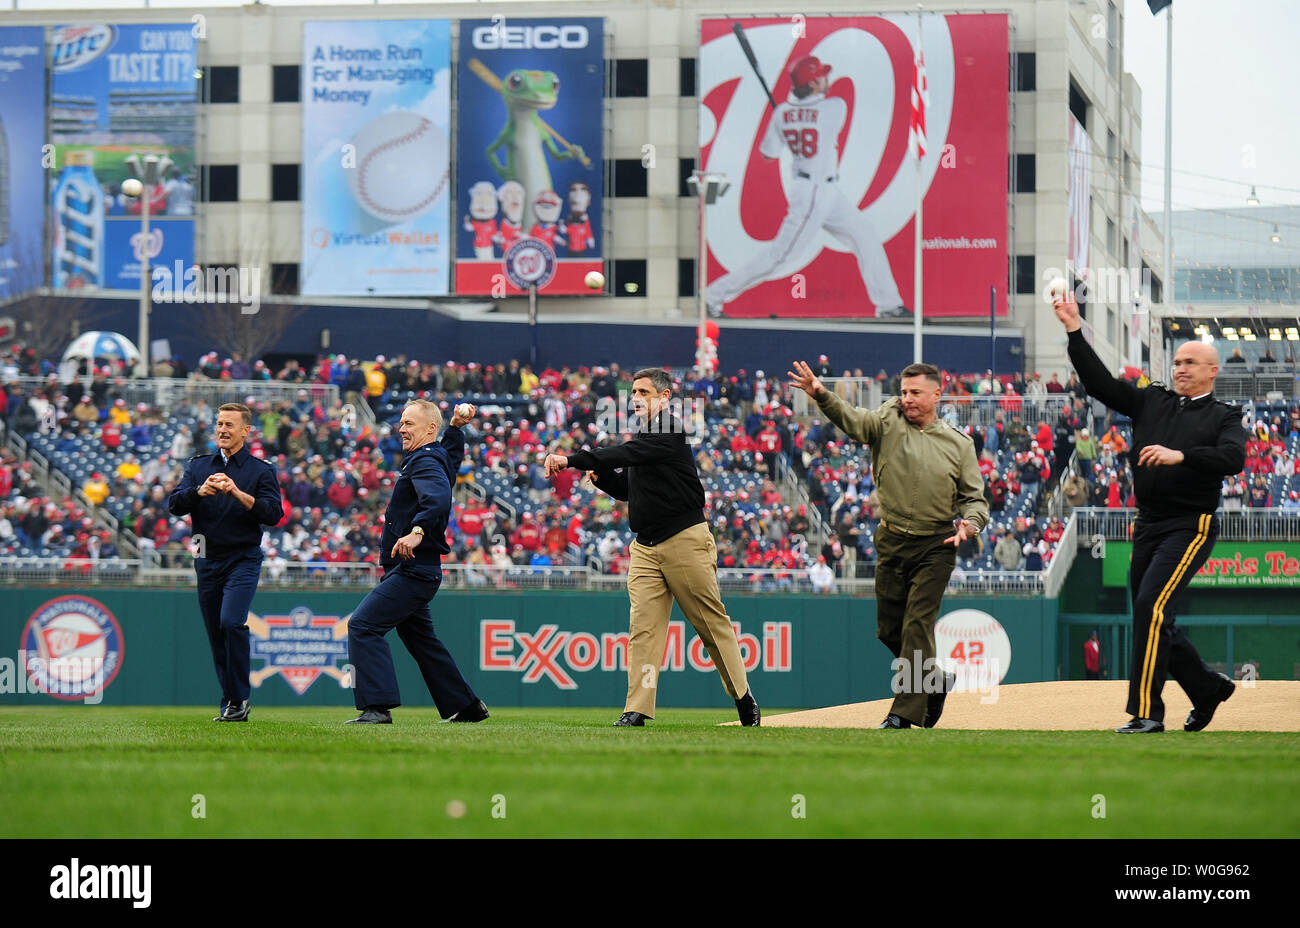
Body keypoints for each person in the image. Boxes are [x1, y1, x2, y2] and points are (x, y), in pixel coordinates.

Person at [1054, 295, 1242, 733]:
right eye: (1177, 361)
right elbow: (1100, 384)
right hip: (1148, 524)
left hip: (1190, 526)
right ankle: (1207, 688)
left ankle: (1147, 712)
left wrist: (1182, 456)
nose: (1181, 368)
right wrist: (1074, 331)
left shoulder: (1225, 415)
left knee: (1150, 605)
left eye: (1192, 362)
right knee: (1152, 615)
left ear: (1212, 371)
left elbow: (1233, 459)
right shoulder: (1151, 401)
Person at [544, 368, 759, 727]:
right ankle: (638, 709)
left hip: (684, 539)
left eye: (644, 392)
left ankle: (742, 697)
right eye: (634, 392)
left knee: (710, 625)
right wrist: (604, 481)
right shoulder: (645, 438)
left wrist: (574, 459)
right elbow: (631, 491)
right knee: (644, 631)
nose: (636, 398)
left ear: (665, 398)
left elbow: (627, 454)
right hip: (645, 546)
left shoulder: (670, 429)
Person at [788, 360, 989, 728]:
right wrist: (821, 393)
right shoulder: (887, 421)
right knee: (889, 631)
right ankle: (936, 681)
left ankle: (903, 714)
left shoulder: (960, 445)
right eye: (904, 392)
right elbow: (853, 420)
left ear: (937, 395)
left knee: (916, 626)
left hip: (937, 543)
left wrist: (971, 525)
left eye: (915, 393)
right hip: (892, 539)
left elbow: (976, 499)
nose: (907, 399)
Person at [704, 56, 907, 320]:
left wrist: (789, 120)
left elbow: (769, 154)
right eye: (820, 77)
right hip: (812, 193)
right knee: (780, 255)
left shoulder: (781, 114)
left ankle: (889, 305)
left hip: (825, 191)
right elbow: (820, 124)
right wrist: (797, 119)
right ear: (812, 83)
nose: (826, 79)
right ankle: (712, 297)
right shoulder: (835, 107)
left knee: (864, 235)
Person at [344, 400, 488, 724]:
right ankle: (466, 706)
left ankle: (376, 707)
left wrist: (417, 531)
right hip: (416, 569)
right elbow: (449, 462)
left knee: (363, 625)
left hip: (413, 568)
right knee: (421, 641)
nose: (401, 428)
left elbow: (437, 497)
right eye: (402, 422)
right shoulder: (433, 456)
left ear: (429, 429)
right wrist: (455, 430)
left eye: (409, 423)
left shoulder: (423, 461)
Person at [168, 403, 284, 722]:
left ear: (246, 431)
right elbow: (175, 505)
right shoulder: (198, 467)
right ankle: (232, 703)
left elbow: (274, 514)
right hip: (205, 558)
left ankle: (239, 698)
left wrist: (238, 494)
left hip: (243, 558)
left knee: (232, 622)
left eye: (229, 425)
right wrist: (198, 492)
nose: (222, 429)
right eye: (219, 423)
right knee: (217, 635)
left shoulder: (261, 471)